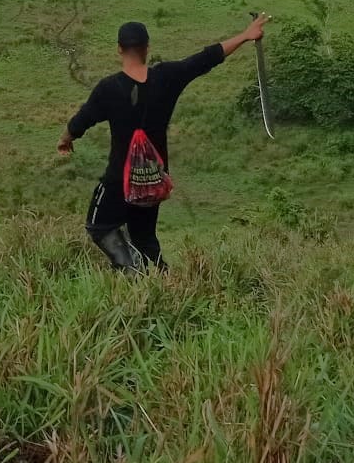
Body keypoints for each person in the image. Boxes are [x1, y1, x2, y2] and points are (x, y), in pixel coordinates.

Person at [58, 14, 268, 271]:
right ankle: (160, 278)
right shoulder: (167, 77)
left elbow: (81, 121)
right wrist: (246, 35)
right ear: (147, 48)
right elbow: (205, 59)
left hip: (118, 181)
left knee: (98, 225)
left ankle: (131, 271)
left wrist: (65, 140)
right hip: (153, 179)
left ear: (119, 49)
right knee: (144, 236)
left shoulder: (108, 88)